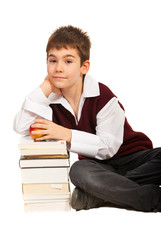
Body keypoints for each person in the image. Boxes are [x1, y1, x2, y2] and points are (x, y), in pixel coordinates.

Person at [13, 25, 161, 212]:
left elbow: (108, 147)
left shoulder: (103, 95)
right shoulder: (49, 101)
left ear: (84, 67)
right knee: (78, 170)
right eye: (52, 60)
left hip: (134, 159)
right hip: (98, 168)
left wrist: (65, 133)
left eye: (68, 61)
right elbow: (20, 126)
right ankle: (150, 198)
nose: (58, 68)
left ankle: (95, 195)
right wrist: (43, 89)